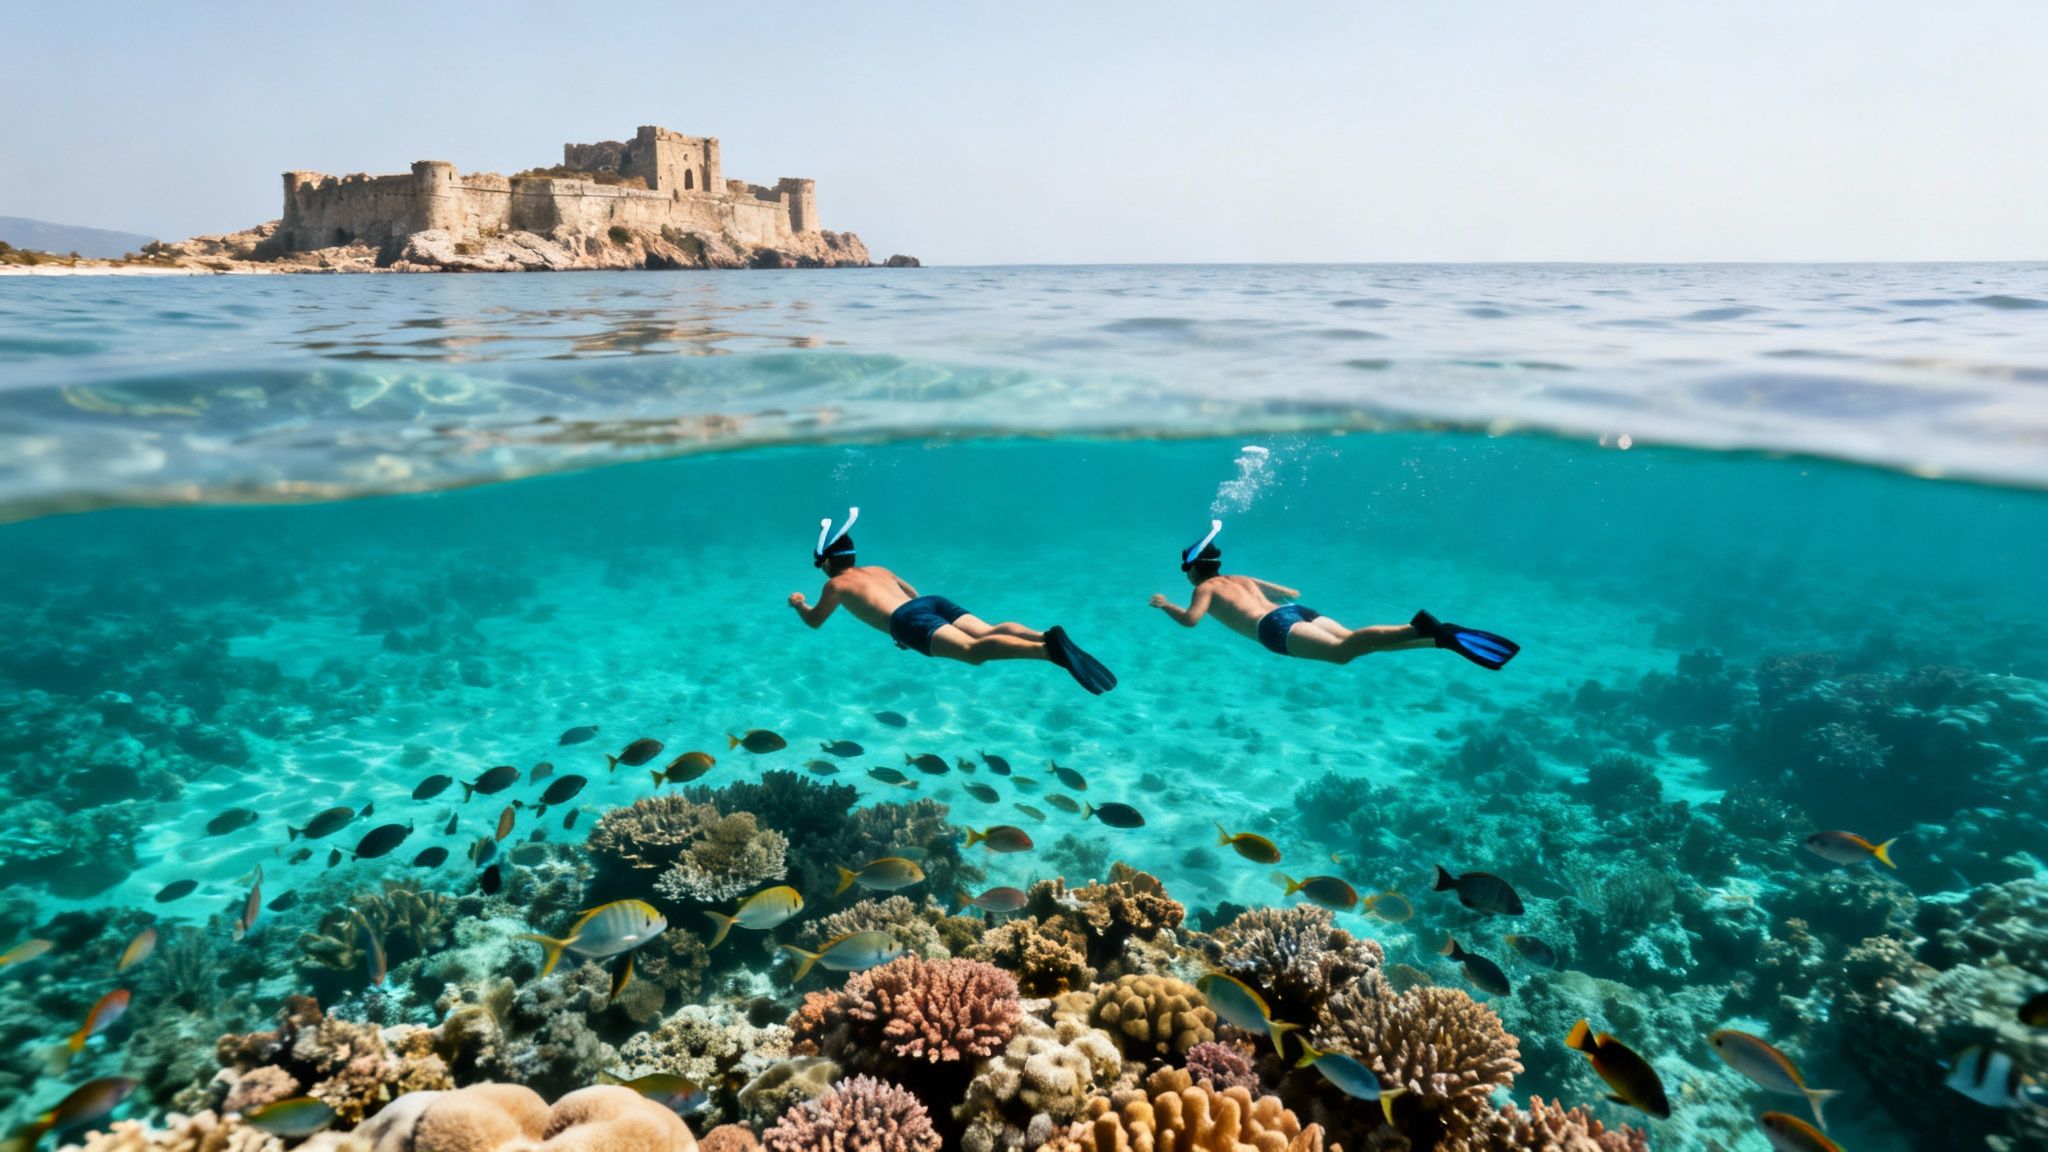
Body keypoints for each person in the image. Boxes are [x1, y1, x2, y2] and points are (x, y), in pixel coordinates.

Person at [790, 508, 1117, 694]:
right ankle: (1043, 635)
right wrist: (913, 623)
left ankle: (1047, 650)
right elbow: (912, 592)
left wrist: (800, 605)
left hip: (906, 622)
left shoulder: (836, 584)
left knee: (973, 653)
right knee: (987, 630)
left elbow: (815, 621)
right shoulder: (877, 568)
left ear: (827, 563)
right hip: (929, 603)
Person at [1149, 520, 1519, 669]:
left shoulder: (1207, 588)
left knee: (1343, 653)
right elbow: (1287, 591)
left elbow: (1191, 621)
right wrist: (1278, 595)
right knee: (1352, 641)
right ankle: (1439, 639)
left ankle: (1416, 628)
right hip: (1296, 612)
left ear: (1195, 570)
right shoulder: (1239, 577)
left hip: (1274, 629)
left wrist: (1167, 606)